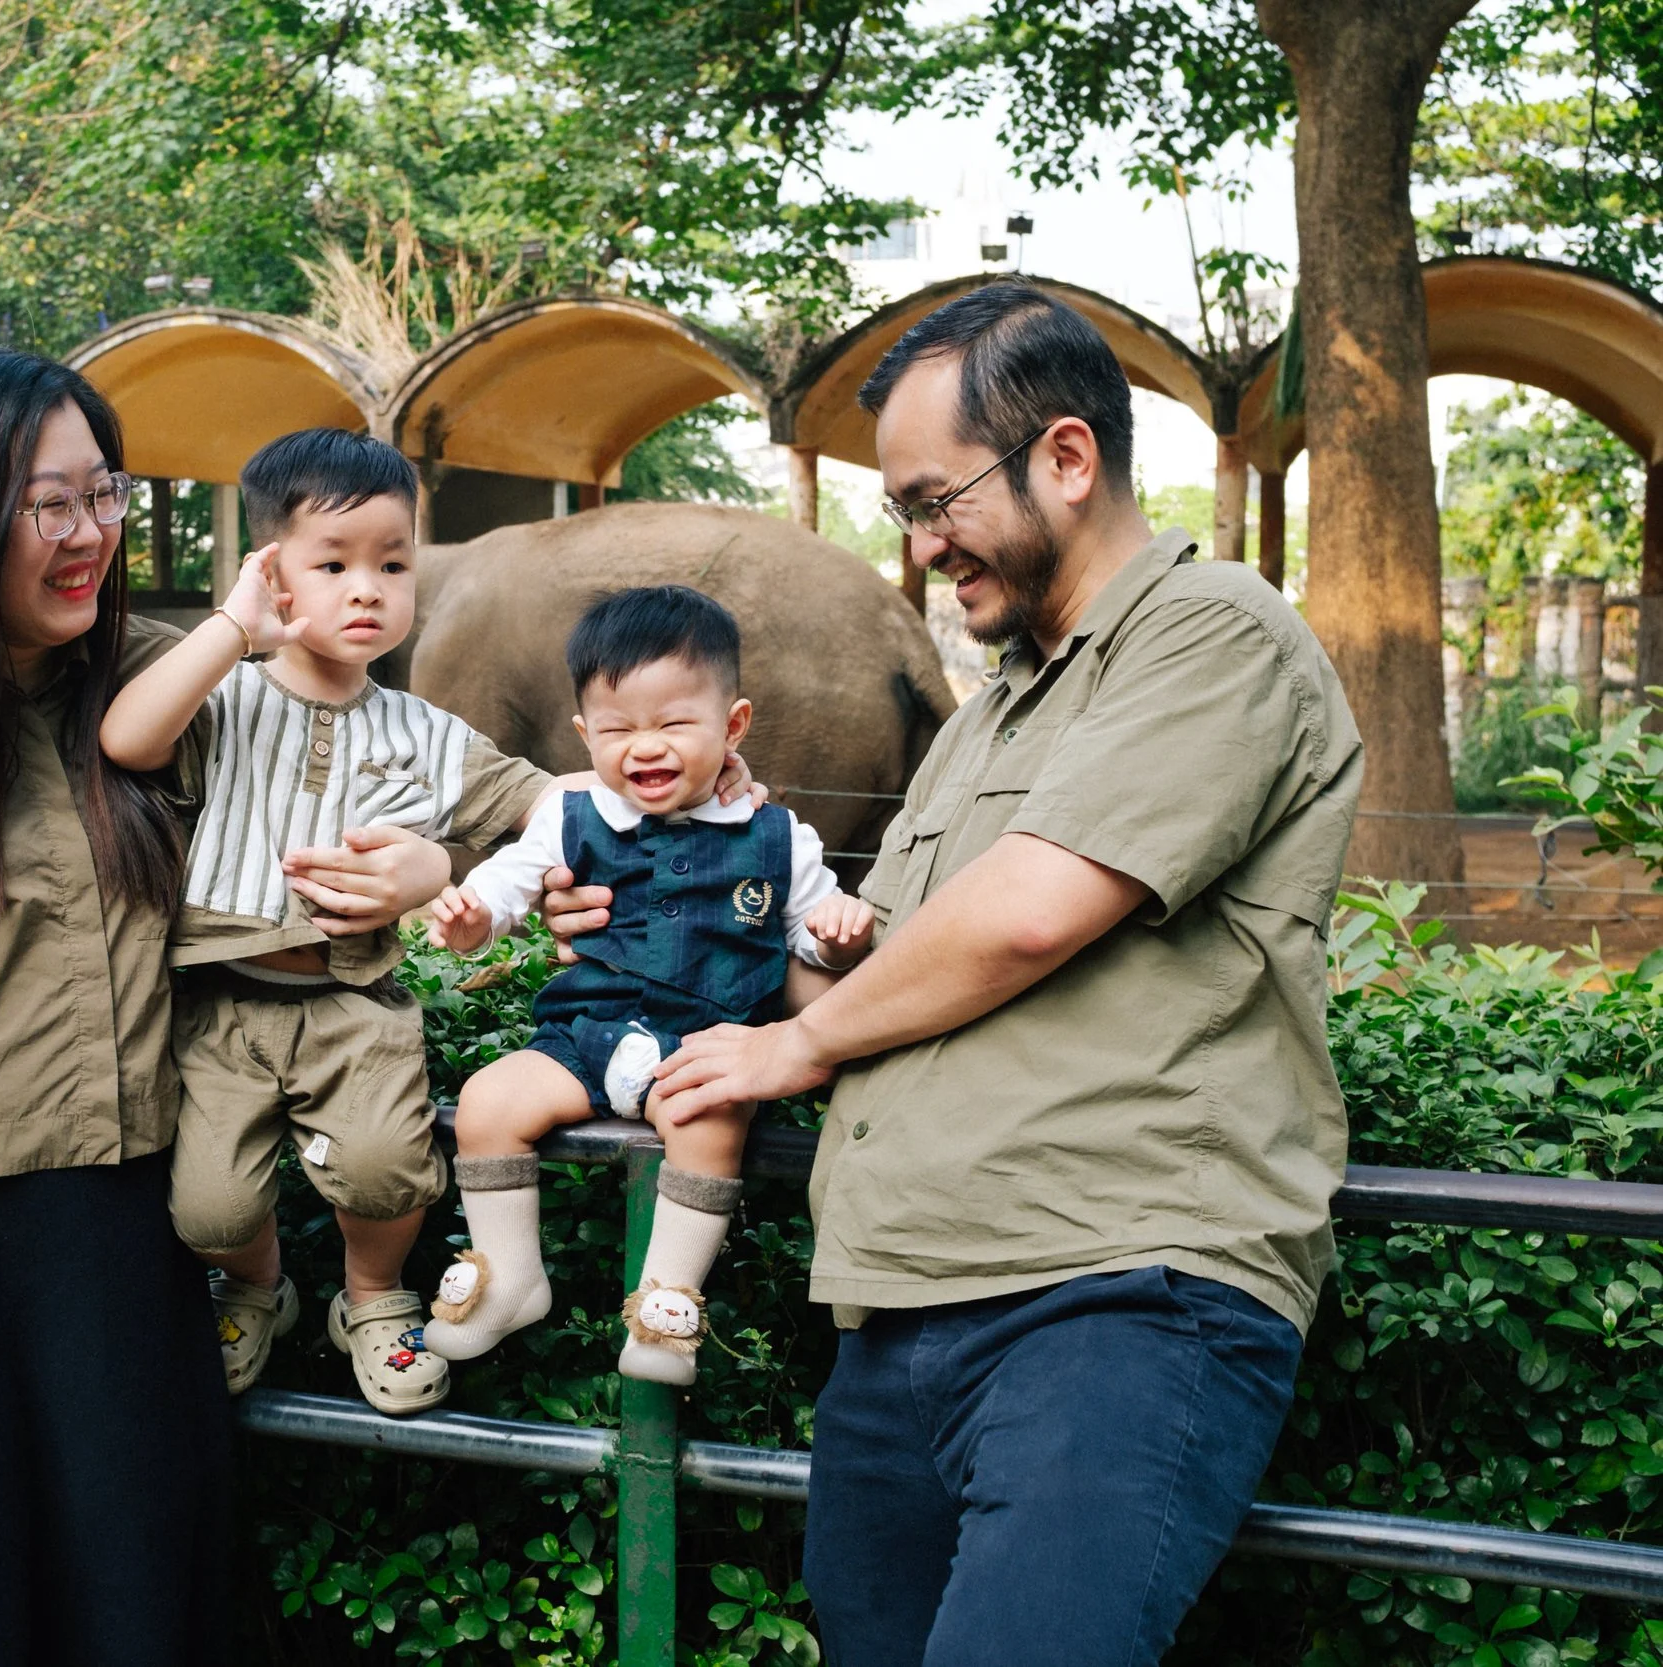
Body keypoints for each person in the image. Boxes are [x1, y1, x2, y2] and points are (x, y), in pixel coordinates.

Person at [628, 284, 1363, 1664]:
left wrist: (796, 1048)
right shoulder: (988, 719)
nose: (917, 546)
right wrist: (679, 893)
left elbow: (1031, 912)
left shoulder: (1215, 631)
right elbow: (871, 972)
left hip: (1115, 1297)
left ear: (1067, 459)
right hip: (899, 1309)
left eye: (935, 499)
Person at [0, 355, 452, 1665]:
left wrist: (428, 866)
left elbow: (380, 781)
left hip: (125, 1228)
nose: (92, 531)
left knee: (135, 1603)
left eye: (105, 492)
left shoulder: (179, 687)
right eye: (48, 503)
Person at [99, 428, 558, 1415]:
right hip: (219, 1007)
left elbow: (551, 806)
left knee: (389, 1172)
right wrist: (233, 623)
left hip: (354, 1002)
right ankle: (256, 1283)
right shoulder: (221, 696)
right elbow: (126, 739)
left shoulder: (428, 734)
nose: (368, 588)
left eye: (393, 563)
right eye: (335, 562)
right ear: (273, 572)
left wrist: (460, 870)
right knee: (206, 1204)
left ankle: (372, 1295)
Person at [421, 586, 873, 1384]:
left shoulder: (777, 834)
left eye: (673, 724)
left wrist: (838, 938)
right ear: (584, 732)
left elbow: (810, 930)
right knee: (490, 1101)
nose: (645, 747)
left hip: (704, 1045)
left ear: (733, 726)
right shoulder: (569, 812)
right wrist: (471, 919)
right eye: (618, 728)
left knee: (711, 1117)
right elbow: (504, 885)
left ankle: (667, 1302)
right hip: (581, 1037)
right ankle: (510, 1273)